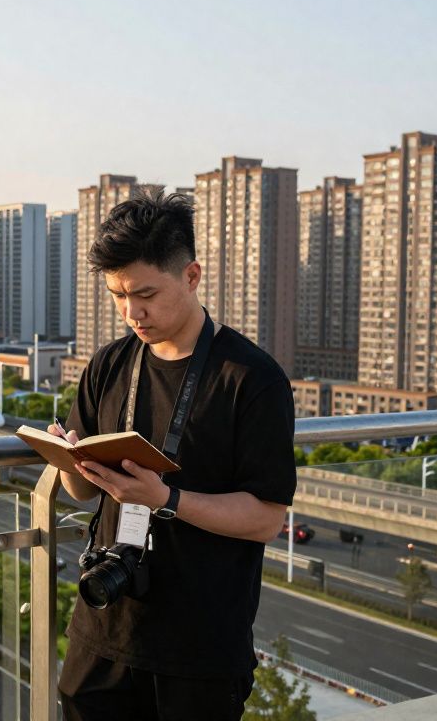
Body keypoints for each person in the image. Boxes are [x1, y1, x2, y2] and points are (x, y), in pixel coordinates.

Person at [53, 189, 297, 720]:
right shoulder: (109, 364)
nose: (131, 312)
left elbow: (266, 519)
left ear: (191, 276)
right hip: (103, 625)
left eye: (145, 294)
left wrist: (166, 499)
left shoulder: (251, 379)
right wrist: (72, 463)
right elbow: (81, 492)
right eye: (117, 295)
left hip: (200, 646)